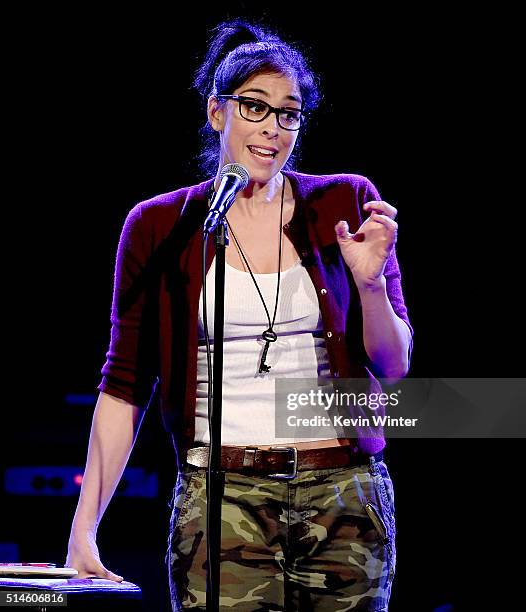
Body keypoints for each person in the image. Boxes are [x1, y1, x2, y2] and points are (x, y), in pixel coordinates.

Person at [65, 18, 413, 612]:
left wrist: (371, 284)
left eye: (289, 113)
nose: (273, 129)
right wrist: (84, 529)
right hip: (221, 495)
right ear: (216, 113)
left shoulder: (345, 200)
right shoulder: (160, 226)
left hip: (343, 492)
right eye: (254, 107)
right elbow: (123, 387)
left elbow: (395, 365)